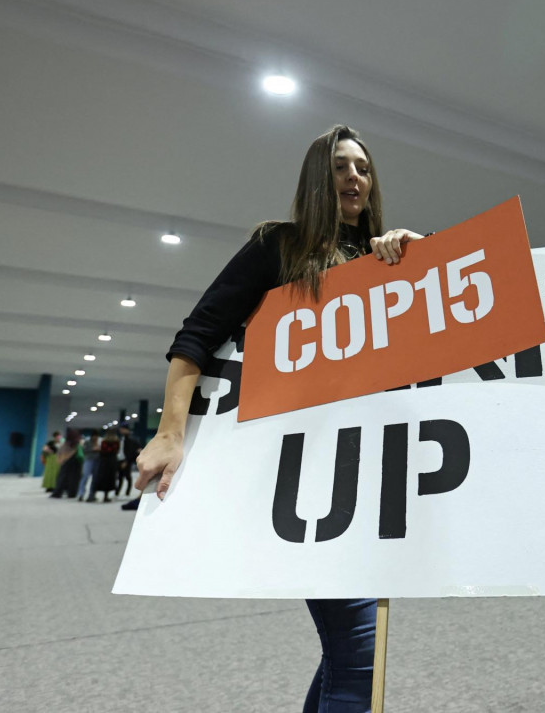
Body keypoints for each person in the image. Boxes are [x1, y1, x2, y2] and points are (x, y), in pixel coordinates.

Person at [135, 124, 424, 711]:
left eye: (363, 168)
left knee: (346, 650)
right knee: (360, 650)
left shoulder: (378, 259)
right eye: (341, 166)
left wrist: (420, 259)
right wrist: (170, 432)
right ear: (318, 178)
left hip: (372, 472)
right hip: (305, 474)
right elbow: (196, 336)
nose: (354, 177)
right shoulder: (280, 246)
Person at [50, 429, 84, 499]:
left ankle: (58, 492)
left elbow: (61, 452)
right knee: (74, 478)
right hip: (76, 462)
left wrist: (61, 460)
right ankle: (72, 493)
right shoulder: (77, 443)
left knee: (62, 476)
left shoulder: (66, 443)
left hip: (66, 462)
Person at [90, 430, 120, 503]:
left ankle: (95, 493)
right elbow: (116, 451)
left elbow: (103, 451)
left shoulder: (104, 442)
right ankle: (106, 496)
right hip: (112, 461)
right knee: (110, 478)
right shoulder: (116, 442)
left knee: (102, 478)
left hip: (104, 461)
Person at [116, 425, 141, 497]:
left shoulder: (131, 439)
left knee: (127, 477)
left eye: (122, 429)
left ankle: (127, 492)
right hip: (120, 459)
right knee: (120, 477)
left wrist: (126, 461)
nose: (121, 430)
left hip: (127, 460)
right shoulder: (121, 438)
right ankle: (117, 492)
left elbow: (132, 450)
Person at [78, 432, 101, 501]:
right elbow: (84, 450)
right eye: (94, 436)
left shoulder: (100, 442)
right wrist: (93, 449)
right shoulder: (87, 442)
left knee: (95, 478)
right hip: (88, 460)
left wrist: (99, 449)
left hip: (97, 461)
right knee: (85, 476)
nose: (95, 438)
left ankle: (92, 494)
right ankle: (81, 494)